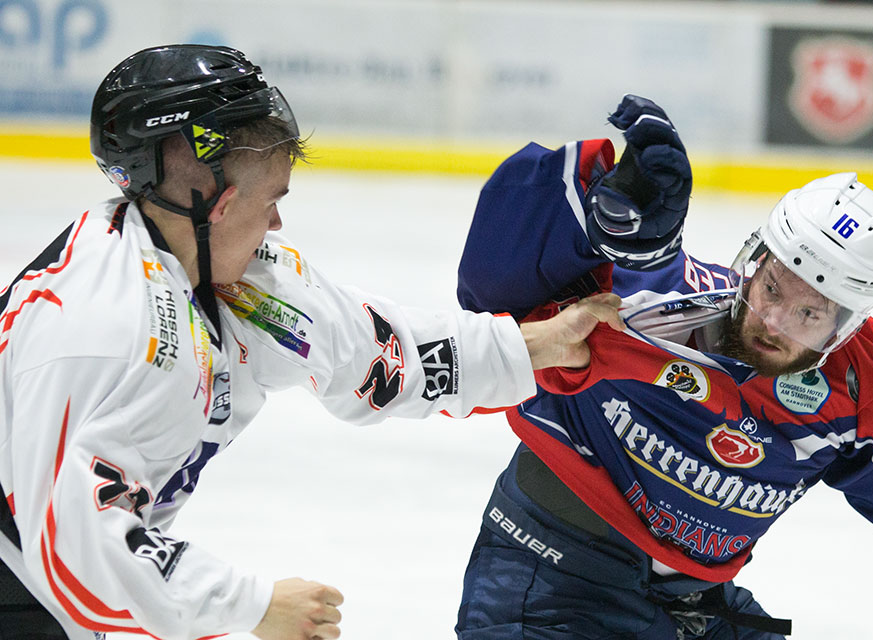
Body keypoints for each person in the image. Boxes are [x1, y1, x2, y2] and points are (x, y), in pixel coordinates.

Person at [0, 45, 624, 640]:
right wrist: (253, 606)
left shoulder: (234, 276)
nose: (277, 223)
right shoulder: (96, 325)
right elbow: (73, 553)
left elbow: (370, 350)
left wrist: (533, 345)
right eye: (271, 200)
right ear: (214, 201)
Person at [453, 95, 873, 639]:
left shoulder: (870, 386)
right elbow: (495, 304)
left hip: (691, 605)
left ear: (846, 325)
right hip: (549, 579)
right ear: (755, 261)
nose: (773, 321)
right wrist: (604, 229)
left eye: (810, 313)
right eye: (771, 288)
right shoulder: (648, 293)